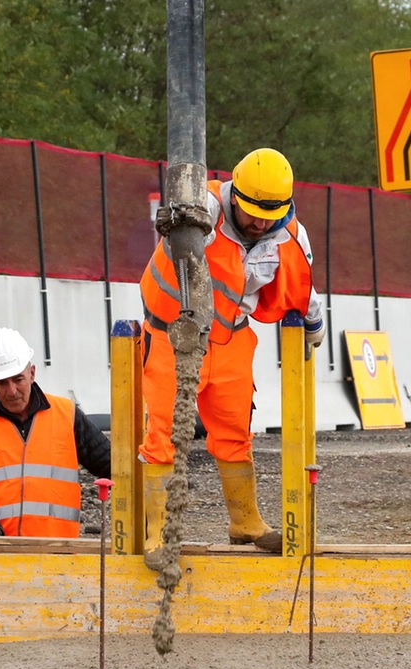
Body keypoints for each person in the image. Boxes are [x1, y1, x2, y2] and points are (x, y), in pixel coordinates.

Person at [140, 147, 325, 554]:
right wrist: (178, 216)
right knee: (163, 437)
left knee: (234, 435)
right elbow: (186, 216)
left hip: (232, 339)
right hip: (174, 336)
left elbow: (304, 284)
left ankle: (245, 523)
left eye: (270, 214)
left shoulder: (289, 235)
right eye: (252, 211)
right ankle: (158, 534)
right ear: (234, 195)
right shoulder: (204, 207)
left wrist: (314, 327)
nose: (260, 222)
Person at [0, 327, 112, 537]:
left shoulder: (66, 415)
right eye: (2, 383)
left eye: (18, 379)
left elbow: (115, 467)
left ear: (32, 373)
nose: (11, 391)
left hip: (59, 554)